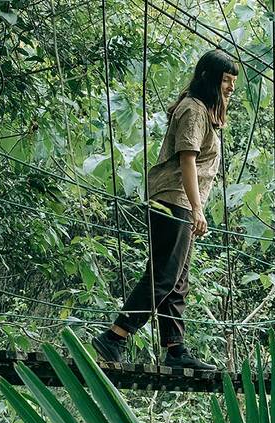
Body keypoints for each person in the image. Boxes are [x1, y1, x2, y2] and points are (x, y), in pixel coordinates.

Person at [91, 49, 239, 371]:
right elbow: (187, 160)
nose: (231, 87)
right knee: (165, 275)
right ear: (210, 79)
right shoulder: (194, 110)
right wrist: (197, 208)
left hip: (180, 201)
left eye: (233, 81)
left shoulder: (203, 111)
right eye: (226, 80)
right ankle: (115, 335)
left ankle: (175, 349)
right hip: (175, 199)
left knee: (177, 278)